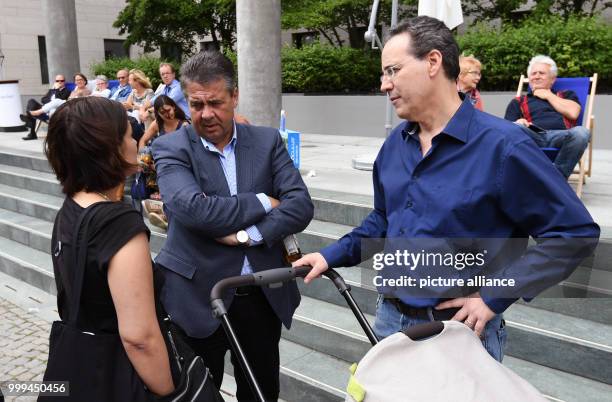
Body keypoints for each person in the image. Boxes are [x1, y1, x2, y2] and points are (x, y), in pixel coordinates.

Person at [295, 16, 599, 363]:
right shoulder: (395, 143)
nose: (384, 84)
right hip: (390, 322)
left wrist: (493, 295)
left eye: (392, 70)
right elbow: (384, 220)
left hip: (461, 334)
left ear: (433, 62)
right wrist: (330, 255)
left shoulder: (504, 146)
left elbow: (573, 233)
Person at [152, 50, 313, 401]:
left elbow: (300, 205)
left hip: (260, 294)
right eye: (196, 104)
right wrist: (262, 201)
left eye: (216, 103)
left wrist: (247, 235)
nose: (206, 114)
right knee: (198, 393)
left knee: (261, 392)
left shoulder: (267, 141)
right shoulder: (170, 147)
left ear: (234, 96)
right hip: (195, 296)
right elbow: (193, 210)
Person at [42, 96, 174, 398]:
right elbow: (139, 337)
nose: (136, 140)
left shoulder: (72, 208)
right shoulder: (117, 223)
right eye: (128, 134)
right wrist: (169, 392)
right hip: (121, 376)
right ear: (109, 147)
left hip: (86, 368)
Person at [504, 55, 590, 179]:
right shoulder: (518, 101)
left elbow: (573, 113)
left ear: (552, 79)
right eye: (533, 73)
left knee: (582, 132)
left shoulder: (566, 94)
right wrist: (519, 122)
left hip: (562, 136)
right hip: (532, 137)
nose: (537, 76)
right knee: (515, 127)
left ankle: (556, 179)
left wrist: (548, 95)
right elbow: (505, 129)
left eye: (542, 73)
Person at [20, 74, 70, 140]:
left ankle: (29, 123)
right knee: (31, 101)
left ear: (64, 82)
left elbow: (59, 99)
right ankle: (29, 119)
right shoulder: (51, 90)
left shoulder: (67, 91)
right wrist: (50, 98)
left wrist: (57, 89)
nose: (59, 82)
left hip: (54, 110)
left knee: (31, 113)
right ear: (55, 82)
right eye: (57, 81)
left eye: (62, 80)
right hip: (44, 108)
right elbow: (43, 99)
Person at [27, 73, 92, 122]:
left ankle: (37, 113)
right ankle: (53, 131)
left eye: (80, 79)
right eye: (76, 80)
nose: (78, 81)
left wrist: (57, 90)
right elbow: (43, 100)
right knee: (52, 111)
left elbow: (82, 102)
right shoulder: (74, 90)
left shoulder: (85, 91)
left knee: (57, 100)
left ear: (85, 81)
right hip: (56, 107)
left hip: (72, 108)